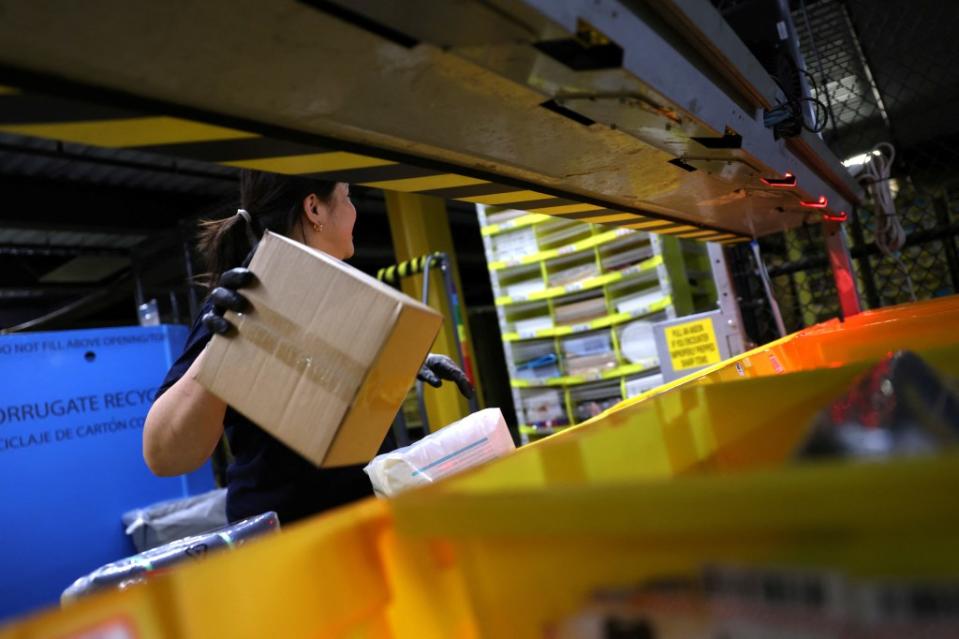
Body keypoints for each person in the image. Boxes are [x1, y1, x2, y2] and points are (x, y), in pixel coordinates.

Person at [143, 170, 473, 524]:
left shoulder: (340, 301)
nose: (353, 211)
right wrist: (224, 343)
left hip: (359, 526)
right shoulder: (244, 301)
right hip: (287, 538)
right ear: (314, 209)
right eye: (347, 196)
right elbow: (163, 455)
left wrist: (394, 363)